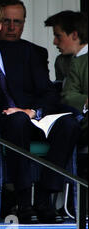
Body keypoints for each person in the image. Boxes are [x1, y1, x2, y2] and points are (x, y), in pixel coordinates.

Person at [0, 0, 80, 223]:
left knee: (69, 123)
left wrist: (33, 111)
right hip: (3, 124)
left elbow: (49, 92)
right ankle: (23, 200)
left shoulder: (24, 52)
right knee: (16, 120)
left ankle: (45, 197)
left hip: (34, 118)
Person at [45, 11, 88, 145]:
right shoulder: (62, 62)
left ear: (74, 35)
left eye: (58, 36)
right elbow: (65, 96)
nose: (54, 42)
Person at [0, 0, 49, 73]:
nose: (11, 27)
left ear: (23, 24)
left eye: (16, 22)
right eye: (6, 21)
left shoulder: (37, 53)